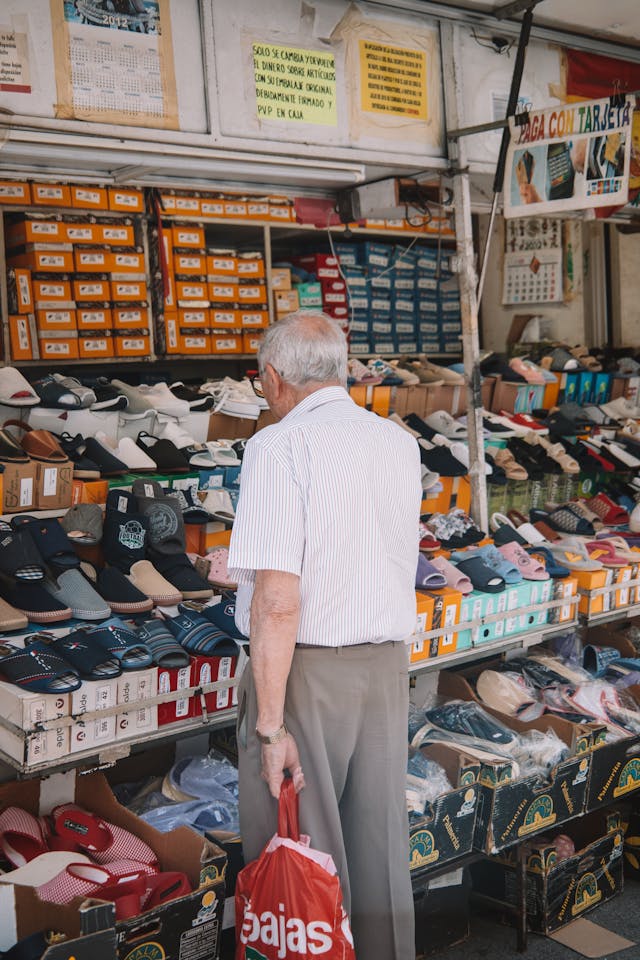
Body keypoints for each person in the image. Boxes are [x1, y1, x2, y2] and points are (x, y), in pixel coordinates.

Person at [228, 311, 422, 960]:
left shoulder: (278, 446)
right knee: (379, 853)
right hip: (385, 669)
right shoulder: (396, 441)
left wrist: (271, 726)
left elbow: (279, 601)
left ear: (274, 380)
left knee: (301, 857)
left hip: (306, 674)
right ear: (342, 372)